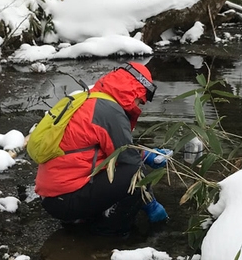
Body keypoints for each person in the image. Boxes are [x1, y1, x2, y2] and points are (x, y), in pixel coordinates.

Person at [36, 62, 169, 234]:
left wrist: (147, 154)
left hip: (52, 197)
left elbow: (111, 150)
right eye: (140, 100)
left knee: (125, 169)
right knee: (135, 174)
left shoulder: (92, 100)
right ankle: (110, 233)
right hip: (65, 200)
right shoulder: (109, 112)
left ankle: (80, 219)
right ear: (134, 90)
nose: (140, 105)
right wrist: (151, 204)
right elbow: (130, 163)